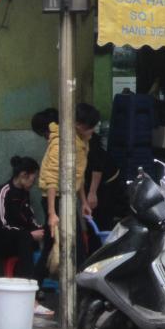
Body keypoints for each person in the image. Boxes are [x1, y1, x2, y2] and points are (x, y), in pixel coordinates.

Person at [0, 156, 54, 316]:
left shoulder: (24, 194)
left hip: (20, 238)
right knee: (25, 239)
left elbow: (29, 219)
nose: (34, 183)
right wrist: (29, 234)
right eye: (33, 178)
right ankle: (31, 300)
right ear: (23, 175)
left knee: (50, 233)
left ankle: (36, 284)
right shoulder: (3, 193)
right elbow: (0, 226)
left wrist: (42, 229)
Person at [39, 102, 99, 266]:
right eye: (90, 127)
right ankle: (79, 289)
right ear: (79, 125)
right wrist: (52, 213)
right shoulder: (61, 143)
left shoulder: (81, 141)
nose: (93, 131)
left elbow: (78, 176)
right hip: (56, 198)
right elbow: (52, 178)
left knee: (56, 245)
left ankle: (36, 284)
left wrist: (84, 202)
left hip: (67, 197)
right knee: (74, 246)